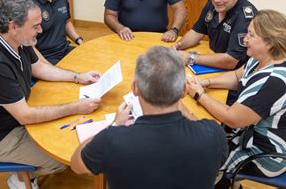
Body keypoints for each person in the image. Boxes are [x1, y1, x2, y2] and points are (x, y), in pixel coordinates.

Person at [0, 0, 102, 189]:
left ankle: (23, 170)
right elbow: (25, 116)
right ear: (13, 26)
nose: (40, 31)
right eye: (35, 26)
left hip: (10, 118)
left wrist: (77, 77)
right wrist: (76, 107)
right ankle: (18, 178)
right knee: (62, 159)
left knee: (66, 136)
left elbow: (39, 68)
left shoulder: (18, 40)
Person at [71, 46, 228, 189]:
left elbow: (77, 164)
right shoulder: (213, 133)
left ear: (135, 89)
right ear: (184, 91)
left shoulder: (111, 140)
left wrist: (114, 125)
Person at [186, 10, 286, 187]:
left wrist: (198, 94)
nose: (244, 39)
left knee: (200, 158)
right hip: (250, 135)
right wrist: (205, 82)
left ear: (269, 42)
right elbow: (237, 77)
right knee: (204, 140)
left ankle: (222, 182)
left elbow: (232, 119)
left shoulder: (274, 82)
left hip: (267, 154)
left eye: (251, 35)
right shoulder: (262, 58)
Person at [175, 0, 257, 105]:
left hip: (235, 82)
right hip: (213, 66)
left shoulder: (245, 17)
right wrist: (177, 47)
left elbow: (231, 61)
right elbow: (197, 31)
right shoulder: (212, 4)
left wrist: (191, 58)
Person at [27, 0, 83, 65]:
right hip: (45, 57)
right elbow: (29, 47)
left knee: (92, 63)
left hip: (64, 50)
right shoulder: (28, 5)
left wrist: (79, 41)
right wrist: (47, 67)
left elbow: (66, 22)